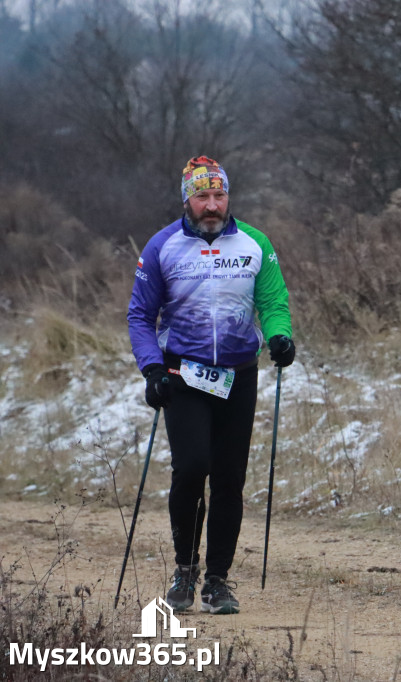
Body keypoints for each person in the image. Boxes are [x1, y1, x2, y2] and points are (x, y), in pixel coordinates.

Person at [127, 156, 295, 614]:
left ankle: (217, 581)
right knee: (192, 467)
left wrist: (280, 336)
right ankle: (185, 570)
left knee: (228, 479)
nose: (212, 204)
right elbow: (141, 316)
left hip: (239, 374)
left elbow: (273, 301)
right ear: (187, 199)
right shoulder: (162, 247)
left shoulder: (255, 243)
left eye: (219, 195)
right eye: (202, 196)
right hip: (183, 374)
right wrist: (152, 369)